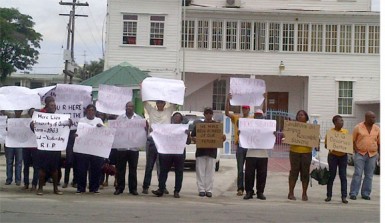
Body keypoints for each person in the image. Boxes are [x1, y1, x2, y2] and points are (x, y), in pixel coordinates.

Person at [31, 100, 70, 195]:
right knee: (42, 169)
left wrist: (70, 123)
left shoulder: (60, 118)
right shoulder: (40, 117)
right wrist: (32, 125)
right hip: (43, 147)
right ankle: (40, 188)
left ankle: (55, 188)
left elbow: (66, 128)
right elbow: (34, 128)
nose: (54, 107)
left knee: (55, 169)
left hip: (55, 148)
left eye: (55, 105)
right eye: (52, 105)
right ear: (47, 107)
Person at [152, 112, 191, 198]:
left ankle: (177, 191)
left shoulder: (183, 129)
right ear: (172, 119)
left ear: (181, 119)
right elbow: (161, 136)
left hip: (179, 153)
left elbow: (188, 142)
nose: (176, 118)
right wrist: (155, 132)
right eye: (175, 117)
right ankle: (161, 189)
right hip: (167, 152)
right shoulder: (167, 128)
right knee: (163, 171)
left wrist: (188, 135)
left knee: (179, 172)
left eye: (178, 117)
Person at [142, 100, 176, 194]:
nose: (160, 104)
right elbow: (144, 102)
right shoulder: (151, 110)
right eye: (158, 103)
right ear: (156, 104)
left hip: (164, 141)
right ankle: (145, 186)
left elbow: (176, 101)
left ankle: (162, 186)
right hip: (152, 141)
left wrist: (182, 91)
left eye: (161, 103)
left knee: (161, 166)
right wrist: (142, 89)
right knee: (149, 165)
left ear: (164, 104)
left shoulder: (168, 111)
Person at [191, 107, 226, 198]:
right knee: (200, 171)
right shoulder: (199, 125)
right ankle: (201, 189)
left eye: (210, 113)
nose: (208, 115)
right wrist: (195, 139)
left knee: (210, 172)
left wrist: (223, 137)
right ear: (204, 114)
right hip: (201, 152)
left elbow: (221, 138)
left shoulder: (216, 125)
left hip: (212, 152)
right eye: (207, 113)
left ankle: (209, 190)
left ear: (212, 114)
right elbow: (192, 137)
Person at [114, 102, 145, 196]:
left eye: (131, 106)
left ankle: (133, 189)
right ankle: (120, 188)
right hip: (122, 148)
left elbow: (142, 132)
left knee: (133, 169)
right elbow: (115, 131)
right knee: (120, 169)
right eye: (127, 106)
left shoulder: (139, 119)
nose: (129, 108)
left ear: (133, 108)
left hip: (133, 148)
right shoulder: (119, 118)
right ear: (125, 108)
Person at [225, 93, 252, 196]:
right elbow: (227, 113)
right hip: (240, 146)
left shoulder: (253, 118)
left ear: (249, 110)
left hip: (249, 147)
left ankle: (249, 189)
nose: (245, 110)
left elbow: (263, 114)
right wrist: (228, 100)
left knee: (249, 170)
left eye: (246, 109)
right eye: (243, 109)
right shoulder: (237, 118)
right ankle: (240, 188)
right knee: (240, 169)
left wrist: (265, 99)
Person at [349, 111, 380, 201]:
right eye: (372, 117)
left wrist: (380, 155)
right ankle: (353, 193)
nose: (374, 119)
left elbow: (380, 142)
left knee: (369, 175)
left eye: (374, 117)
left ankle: (365, 193)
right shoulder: (358, 127)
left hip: (372, 154)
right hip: (360, 154)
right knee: (358, 173)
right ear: (366, 118)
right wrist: (356, 150)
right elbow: (353, 140)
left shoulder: (377, 129)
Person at [75, 104, 105, 194]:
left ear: (95, 112)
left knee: (95, 169)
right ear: (86, 111)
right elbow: (78, 133)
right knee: (82, 169)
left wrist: (101, 127)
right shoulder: (82, 120)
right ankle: (81, 188)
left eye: (92, 110)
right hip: (83, 149)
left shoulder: (98, 120)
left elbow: (104, 133)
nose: (90, 112)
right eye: (89, 110)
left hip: (95, 149)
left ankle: (94, 188)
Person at [243, 109, 269, 200]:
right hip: (250, 153)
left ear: (262, 116)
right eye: (256, 115)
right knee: (249, 174)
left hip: (263, 154)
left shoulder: (267, 127)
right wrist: (241, 133)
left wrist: (272, 134)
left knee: (262, 174)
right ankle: (249, 192)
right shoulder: (249, 126)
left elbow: (271, 136)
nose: (258, 116)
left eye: (260, 115)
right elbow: (244, 134)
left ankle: (260, 192)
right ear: (254, 116)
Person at [287, 110, 312, 201]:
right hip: (294, 152)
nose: (300, 116)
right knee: (294, 172)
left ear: (306, 117)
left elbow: (315, 139)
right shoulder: (293, 127)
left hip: (306, 153)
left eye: (302, 115)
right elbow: (287, 136)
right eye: (298, 115)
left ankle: (304, 193)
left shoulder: (311, 128)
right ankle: (291, 192)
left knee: (305, 173)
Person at [324, 115, 349, 204]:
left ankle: (344, 196)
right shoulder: (330, 132)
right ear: (335, 123)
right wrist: (333, 145)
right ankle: (329, 195)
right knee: (331, 176)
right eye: (340, 121)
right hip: (333, 156)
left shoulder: (345, 132)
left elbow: (348, 144)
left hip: (343, 156)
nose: (342, 122)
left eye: (342, 121)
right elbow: (326, 145)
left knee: (343, 176)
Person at [5, 110, 24, 186]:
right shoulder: (10, 117)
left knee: (19, 162)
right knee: (9, 162)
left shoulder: (24, 118)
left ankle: (18, 180)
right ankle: (9, 179)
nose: (18, 111)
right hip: (10, 142)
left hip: (19, 143)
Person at [22, 108, 39, 191]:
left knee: (36, 166)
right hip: (26, 146)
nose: (32, 113)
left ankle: (34, 184)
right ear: (29, 113)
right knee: (26, 166)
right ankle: (26, 183)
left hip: (36, 147)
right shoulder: (25, 121)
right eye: (31, 112)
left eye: (34, 112)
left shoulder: (40, 121)